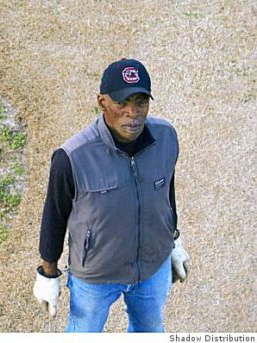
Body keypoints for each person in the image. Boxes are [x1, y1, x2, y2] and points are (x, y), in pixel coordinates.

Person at [33, 58, 190, 332]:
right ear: (102, 102)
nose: (132, 112)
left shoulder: (166, 138)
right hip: (95, 277)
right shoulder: (71, 157)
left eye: (141, 101)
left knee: (150, 331)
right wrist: (48, 275)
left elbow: (166, 193)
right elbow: (54, 216)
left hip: (153, 268)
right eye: (122, 102)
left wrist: (173, 241)